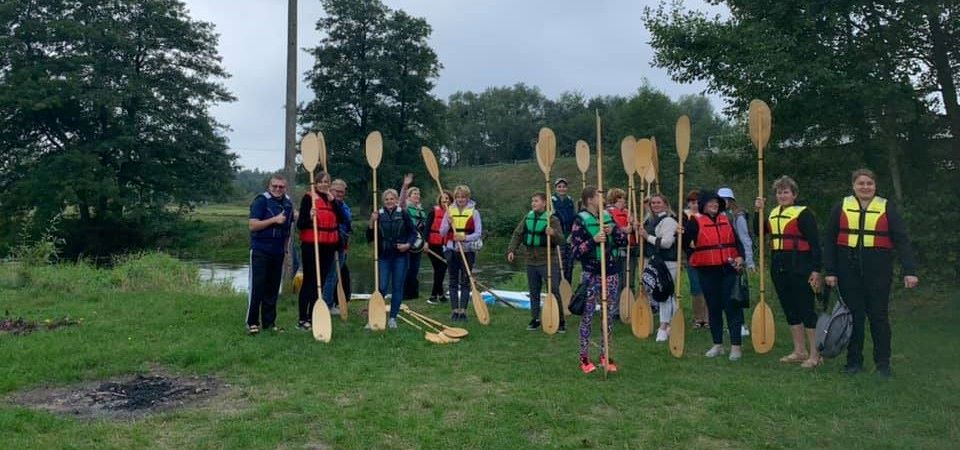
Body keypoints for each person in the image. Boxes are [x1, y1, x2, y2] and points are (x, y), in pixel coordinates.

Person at [824, 169, 918, 377]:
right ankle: (854, 362)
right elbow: (829, 241)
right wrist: (830, 271)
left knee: (879, 318)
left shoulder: (886, 208)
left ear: (875, 186)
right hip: (848, 272)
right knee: (854, 318)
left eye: (869, 184)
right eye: (861, 183)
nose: (865, 187)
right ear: (853, 186)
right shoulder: (841, 207)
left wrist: (909, 270)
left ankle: (883, 364)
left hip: (879, 272)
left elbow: (902, 240)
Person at [755, 176, 822, 368]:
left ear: (794, 194)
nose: (782, 195)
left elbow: (816, 245)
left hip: (800, 264)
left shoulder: (804, 214)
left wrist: (816, 270)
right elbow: (758, 232)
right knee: (790, 309)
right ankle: (799, 351)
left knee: (805, 308)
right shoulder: (773, 213)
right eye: (779, 192)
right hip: (779, 264)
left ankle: (815, 354)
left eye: (786, 192)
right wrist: (757, 212)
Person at [682, 190, 746, 360]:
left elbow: (736, 242)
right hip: (707, 271)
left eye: (716, 202)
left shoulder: (726, 219)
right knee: (714, 307)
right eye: (711, 202)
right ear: (703, 205)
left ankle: (736, 346)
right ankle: (717, 344)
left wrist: (740, 256)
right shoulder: (695, 222)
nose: (714, 205)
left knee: (732, 306)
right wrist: (691, 254)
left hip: (728, 268)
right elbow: (685, 244)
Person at [570, 186, 627, 373]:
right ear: (589, 200)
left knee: (607, 315)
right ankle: (584, 358)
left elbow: (623, 241)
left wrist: (614, 232)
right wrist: (593, 240)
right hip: (591, 274)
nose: (601, 198)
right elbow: (575, 251)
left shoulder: (607, 217)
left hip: (610, 272)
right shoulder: (580, 220)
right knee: (587, 316)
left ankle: (605, 354)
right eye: (598, 196)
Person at [506, 192, 565, 332]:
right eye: (532, 201)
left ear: (544, 203)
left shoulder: (553, 220)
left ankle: (560, 320)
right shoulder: (528, 217)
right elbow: (517, 234)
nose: (533, 203)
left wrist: (553, 234)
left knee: (554, 290)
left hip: (548, 260)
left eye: (536, 201)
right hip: (531, 260)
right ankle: (535, 318)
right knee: (534, 291)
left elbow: (561, 240)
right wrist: (511, 250)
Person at [296, 172, 347, 331]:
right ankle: (303, 318)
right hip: (312, 245)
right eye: (321, 182)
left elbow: (343, 219)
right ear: (316, 183)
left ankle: (314, 315)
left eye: (327, 182)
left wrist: (334, 202)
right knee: (310, 282)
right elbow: (301, 224)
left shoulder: (332, 200)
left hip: (328, 246)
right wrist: (310, 217)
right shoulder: (308, 198)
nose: (324, 184)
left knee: (322, 281)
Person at [246, 175, 294, 335]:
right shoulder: (261, 201)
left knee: (273, 289)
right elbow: (253, 225)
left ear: (285, 188)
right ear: (269, 186)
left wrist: (286, 249)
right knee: (257, 288)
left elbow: (288, 228)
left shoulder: (287, 203)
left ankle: (269, 322)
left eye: (281, 186)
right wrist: (273, 220)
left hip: (278, 251)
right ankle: (252, 322)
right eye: (275, 186)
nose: (278, 189)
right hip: (261, 250)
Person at [367, 188, 417, 329]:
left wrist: (407, 245)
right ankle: (375, 315)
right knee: (381, 287)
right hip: (384, 256)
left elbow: (413, 233)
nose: (389, 201)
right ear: (383, 201)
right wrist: (372, 221)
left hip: (400, 256)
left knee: (397, 287)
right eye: (387, 199)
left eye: (392, 199)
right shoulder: (378, 215)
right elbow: (370, 237)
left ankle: (393, 318)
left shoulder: (403, 214)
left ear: (396, 200)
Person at [439, 185, 483, 322]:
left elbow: (478, 233)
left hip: (468, 251)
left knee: (465, 281)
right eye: (458, 197)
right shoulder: (449, 211)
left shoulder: (474, 213)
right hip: (452, 250)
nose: (460, 199)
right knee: (453, 281)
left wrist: (464, 237)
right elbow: (442, 232)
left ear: (467, 198)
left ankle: (463, 311)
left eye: (463, 197)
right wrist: (448, 222)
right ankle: (454, 310)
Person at [639, 193, 680, 342]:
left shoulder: (669, 221)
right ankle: (674, 323)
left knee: (664, 294)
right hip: (657, 262)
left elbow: (667, 243)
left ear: (665, 204)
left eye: (658, 202)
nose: (655, 205)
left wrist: (646, 237)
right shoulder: (651, 220)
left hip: (668, 262)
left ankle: (663, 327)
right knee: (667, 295)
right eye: (653, 203)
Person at [718, 187, 755, 337]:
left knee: (736, 294)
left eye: (725, 200)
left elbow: (745, 240)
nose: (723, 202)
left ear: (731, 201)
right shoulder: (718, 216)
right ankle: (731, 324)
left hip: (736, 259)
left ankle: (741, 325)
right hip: (722, 260)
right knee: (724, 295)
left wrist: (749, 261)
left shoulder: (738, 216)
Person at [605, 188, 636, 320]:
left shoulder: (628, 212)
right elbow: (611, 227)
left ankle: (630, 307)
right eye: (622, 198)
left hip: (631, 249)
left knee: (629, 280)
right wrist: (624, 229)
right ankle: (615, 309)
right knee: (617, 280)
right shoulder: (608, 212)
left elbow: (635, 227)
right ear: (615, 199)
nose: (624, 201)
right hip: (616, 251)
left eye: (624, 198)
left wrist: (634, 225)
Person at [322, 179, 352, 313]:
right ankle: (327, 304)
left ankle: (332, 301)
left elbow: (346, 220)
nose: (339, 194)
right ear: (331, 190)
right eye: (336, 191)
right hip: (330, 244)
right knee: (331, 275)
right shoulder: (326, 204)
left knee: (337, 275)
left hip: (342, 245)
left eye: (342, 192)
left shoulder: (344, 206)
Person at [684, 190, 709, 328]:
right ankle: (698, 318)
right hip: (692, 256)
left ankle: (708, 317)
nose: (695, 205)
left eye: (697, 202)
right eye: (692, 202)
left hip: (707, 256)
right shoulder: (685, 217)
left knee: (708, 285)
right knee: (696, 287)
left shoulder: (707, 216)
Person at [399, 174, 427, 300]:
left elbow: (424, 228)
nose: (417, 196)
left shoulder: (421, 210)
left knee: (415, 268)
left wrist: (426, 242)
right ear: (409, 196)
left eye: (418, 194)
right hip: (408, 241)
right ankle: (404, 293)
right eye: (414, 194)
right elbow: (401, 200)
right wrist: (405, 186)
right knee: (407, 268)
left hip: (419, 243)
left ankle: (413, 293)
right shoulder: (405, 208)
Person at [425, 190, 453, 305]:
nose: (445, 200)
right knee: (439, 269)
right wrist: (425, 242)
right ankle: (434, 296)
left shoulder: (453, 213)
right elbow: (426, 228)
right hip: (433, 245)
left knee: (440, 270)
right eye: (443, 198)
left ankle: (439, 295)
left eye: (447, 198)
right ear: (440, 200)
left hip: (446, 245)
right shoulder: (433, 211)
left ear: (451, 200)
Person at [552, 177, 576, 281]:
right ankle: (557, 291)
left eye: (564, 186)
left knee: (569, 265)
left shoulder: (570, 201)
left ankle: (568, 290)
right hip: (558, 237)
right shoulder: (551, 201)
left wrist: (572, 234)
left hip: (569, 237)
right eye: (559, 187)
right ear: (556, 188)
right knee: (559, 265)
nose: (562, 189)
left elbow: (574, 217)